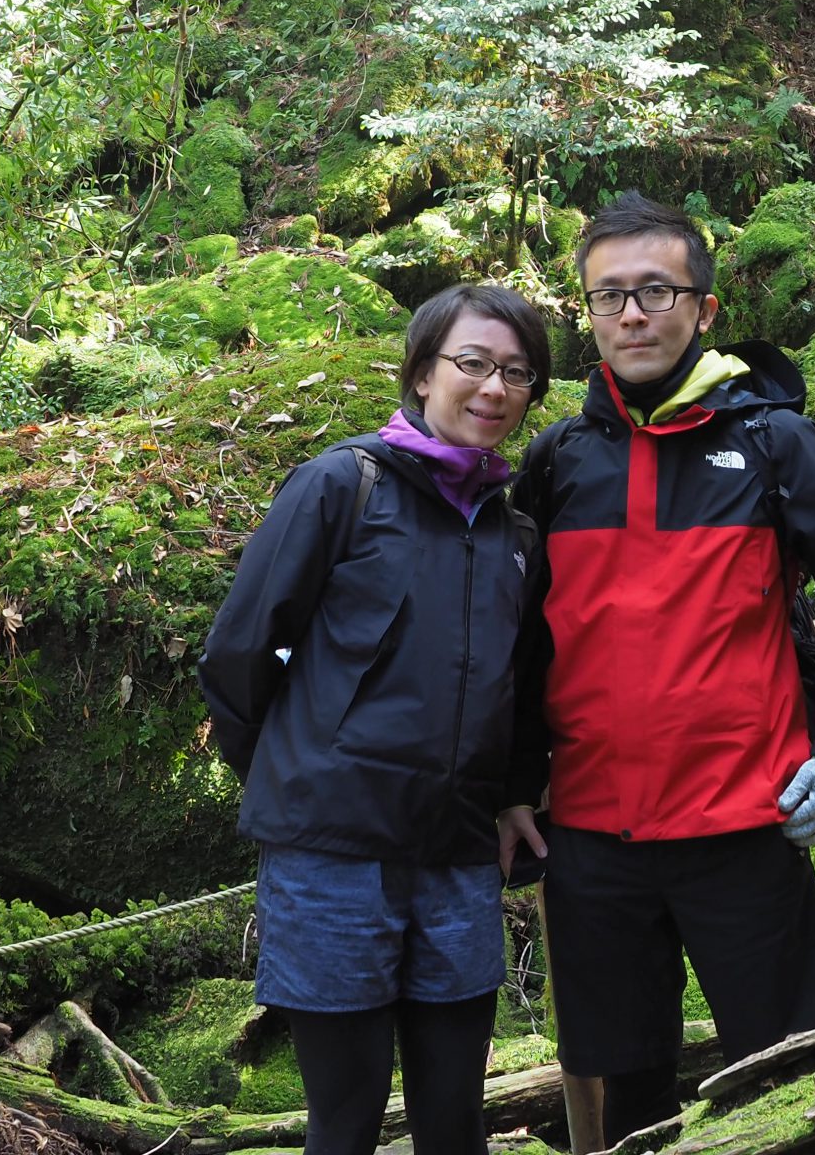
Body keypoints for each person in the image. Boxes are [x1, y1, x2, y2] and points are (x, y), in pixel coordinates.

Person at [503, 193, 815, 1144]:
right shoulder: (558, 459)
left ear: (705, 309)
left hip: (747, 825)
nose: (632, 316)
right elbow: (521, 643)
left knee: (797, 1079)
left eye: (655, 291)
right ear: (586, 314)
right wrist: (515, 786)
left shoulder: (775, 442)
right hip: (592, 843)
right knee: (628, 1094)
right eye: (608, 298)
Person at [198, 284, 555, 1155]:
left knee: (453, 1120)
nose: (494, 389)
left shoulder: (516, 536)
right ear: (423, 372)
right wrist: (294, 773)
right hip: (332, 859)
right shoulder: (342, 485)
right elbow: (240, 655)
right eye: (472, 363)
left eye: (516, 373)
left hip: (457, 858)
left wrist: (512, 796)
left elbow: (522, 683)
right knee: (346, 1121)